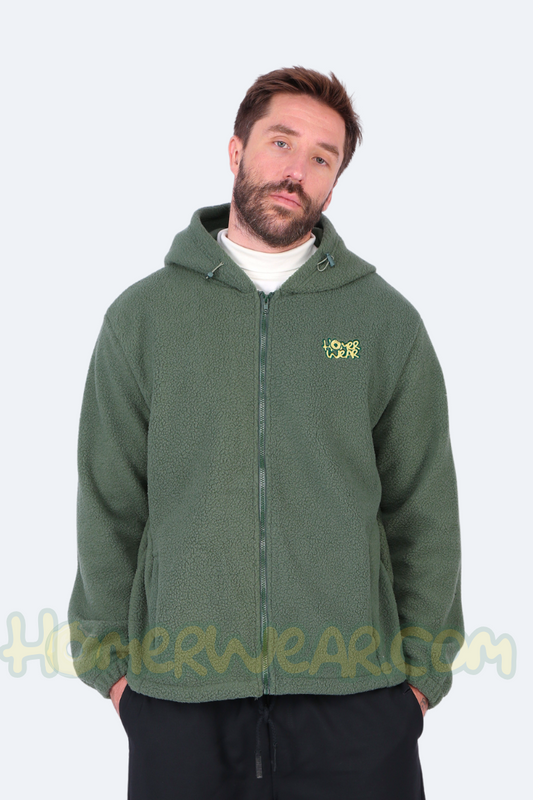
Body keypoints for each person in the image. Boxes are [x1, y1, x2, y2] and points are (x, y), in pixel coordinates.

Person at [68, 66, 464, 799]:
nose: (296, 170)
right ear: (236, 150)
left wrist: (418, 681)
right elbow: (109, 498)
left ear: (333, 184)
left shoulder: (383, 323)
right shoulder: (142, 319)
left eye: (322, 157)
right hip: (179, 700)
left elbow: (423, 507)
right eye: (281, 142)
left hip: (358, 698)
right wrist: (115, 672)